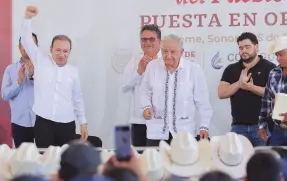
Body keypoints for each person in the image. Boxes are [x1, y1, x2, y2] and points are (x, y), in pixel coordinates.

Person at [20, 6, 88, 147]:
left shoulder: (73, 71)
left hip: (66, 124)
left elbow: (77, 98)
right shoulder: (40, 61)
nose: (61, 54)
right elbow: (26, 40)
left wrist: (83, 122)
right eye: (58, 50)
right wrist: (27, 18)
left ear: (69, 52)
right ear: (51, 49)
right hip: (43, 123)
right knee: (44, 160)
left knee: (64, 163)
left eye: (65, 51)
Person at [140, 34, 212, 146]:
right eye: (164, 51)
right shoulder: (152, 67)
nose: (168, 56)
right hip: (156, 132)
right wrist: (146, 107)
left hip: (184, 133)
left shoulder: (194, 70)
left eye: (173, 52)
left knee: (184, 163)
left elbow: (203, 102)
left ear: (181, 52)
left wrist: (204, 126)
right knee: (155, 163)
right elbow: (145, 91)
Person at [218, 32, 276, 147]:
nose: (243, 50)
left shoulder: (270, 68)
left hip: (262, 127)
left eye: (247, 47)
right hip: (238, 127)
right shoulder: (231, 69)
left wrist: (251, 87)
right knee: (236, 163)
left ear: (256, 46)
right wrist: (239, 83)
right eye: (241, 48)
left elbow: (275, 95)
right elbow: (221, 93)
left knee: (262, 163)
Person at [122, 24, 161, 147]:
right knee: (141, 159)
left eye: (151, 39)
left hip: (161, 121)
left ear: (159, 41)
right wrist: (139, 71)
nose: (147, 42)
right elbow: (125, 86)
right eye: (144, 39)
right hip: (139, 121)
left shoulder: (167, 60)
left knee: (160, 159)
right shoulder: (134, 61)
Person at [1, 33, 38, 148]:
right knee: (23, 162)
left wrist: (34, 76)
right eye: (24, 44)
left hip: (43, 123)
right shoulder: (10, 69)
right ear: (19, 47)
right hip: (19, 124)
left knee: (45, 159)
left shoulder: (45, 68)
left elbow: (52, 91)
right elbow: (4, 95)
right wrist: (19, 82)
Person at [258, 36, 287, 146]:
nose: (278, 58)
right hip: (277, 129)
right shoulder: (273, 73)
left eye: (281, 55)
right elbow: (266, 100)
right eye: (276, 55)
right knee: (276, 161)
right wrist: (262, 125)